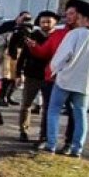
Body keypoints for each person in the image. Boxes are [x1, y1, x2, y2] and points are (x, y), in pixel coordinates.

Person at [42, 0, 89, 158]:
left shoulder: (76, 34)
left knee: (54, 110)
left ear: (84, 18)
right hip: (87, 82)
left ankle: (51, 144)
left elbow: (61, 56)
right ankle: (77, 148)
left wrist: (54, 69)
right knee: (81, 114)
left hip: (66, 79)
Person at [16, 11, 59, 142]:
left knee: (47, 107)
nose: (45, 24)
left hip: (50, 76)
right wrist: (19, 73)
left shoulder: (58, 37)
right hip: (32, 74)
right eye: (42, 22)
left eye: (48, 22)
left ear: (55, 22)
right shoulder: (32, 36)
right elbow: (23, 56)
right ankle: (23, 130)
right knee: (26, 104)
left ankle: (43, 135)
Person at [0, 11, 32, 107]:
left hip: (20, 54)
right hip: (7, 54)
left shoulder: (28, 28)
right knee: (6, 76)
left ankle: (9, 96)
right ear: (18, 17)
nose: (25, 20)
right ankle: (1, 97)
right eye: (24, 18)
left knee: (15, 77)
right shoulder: (8, 25)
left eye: (28, 19)